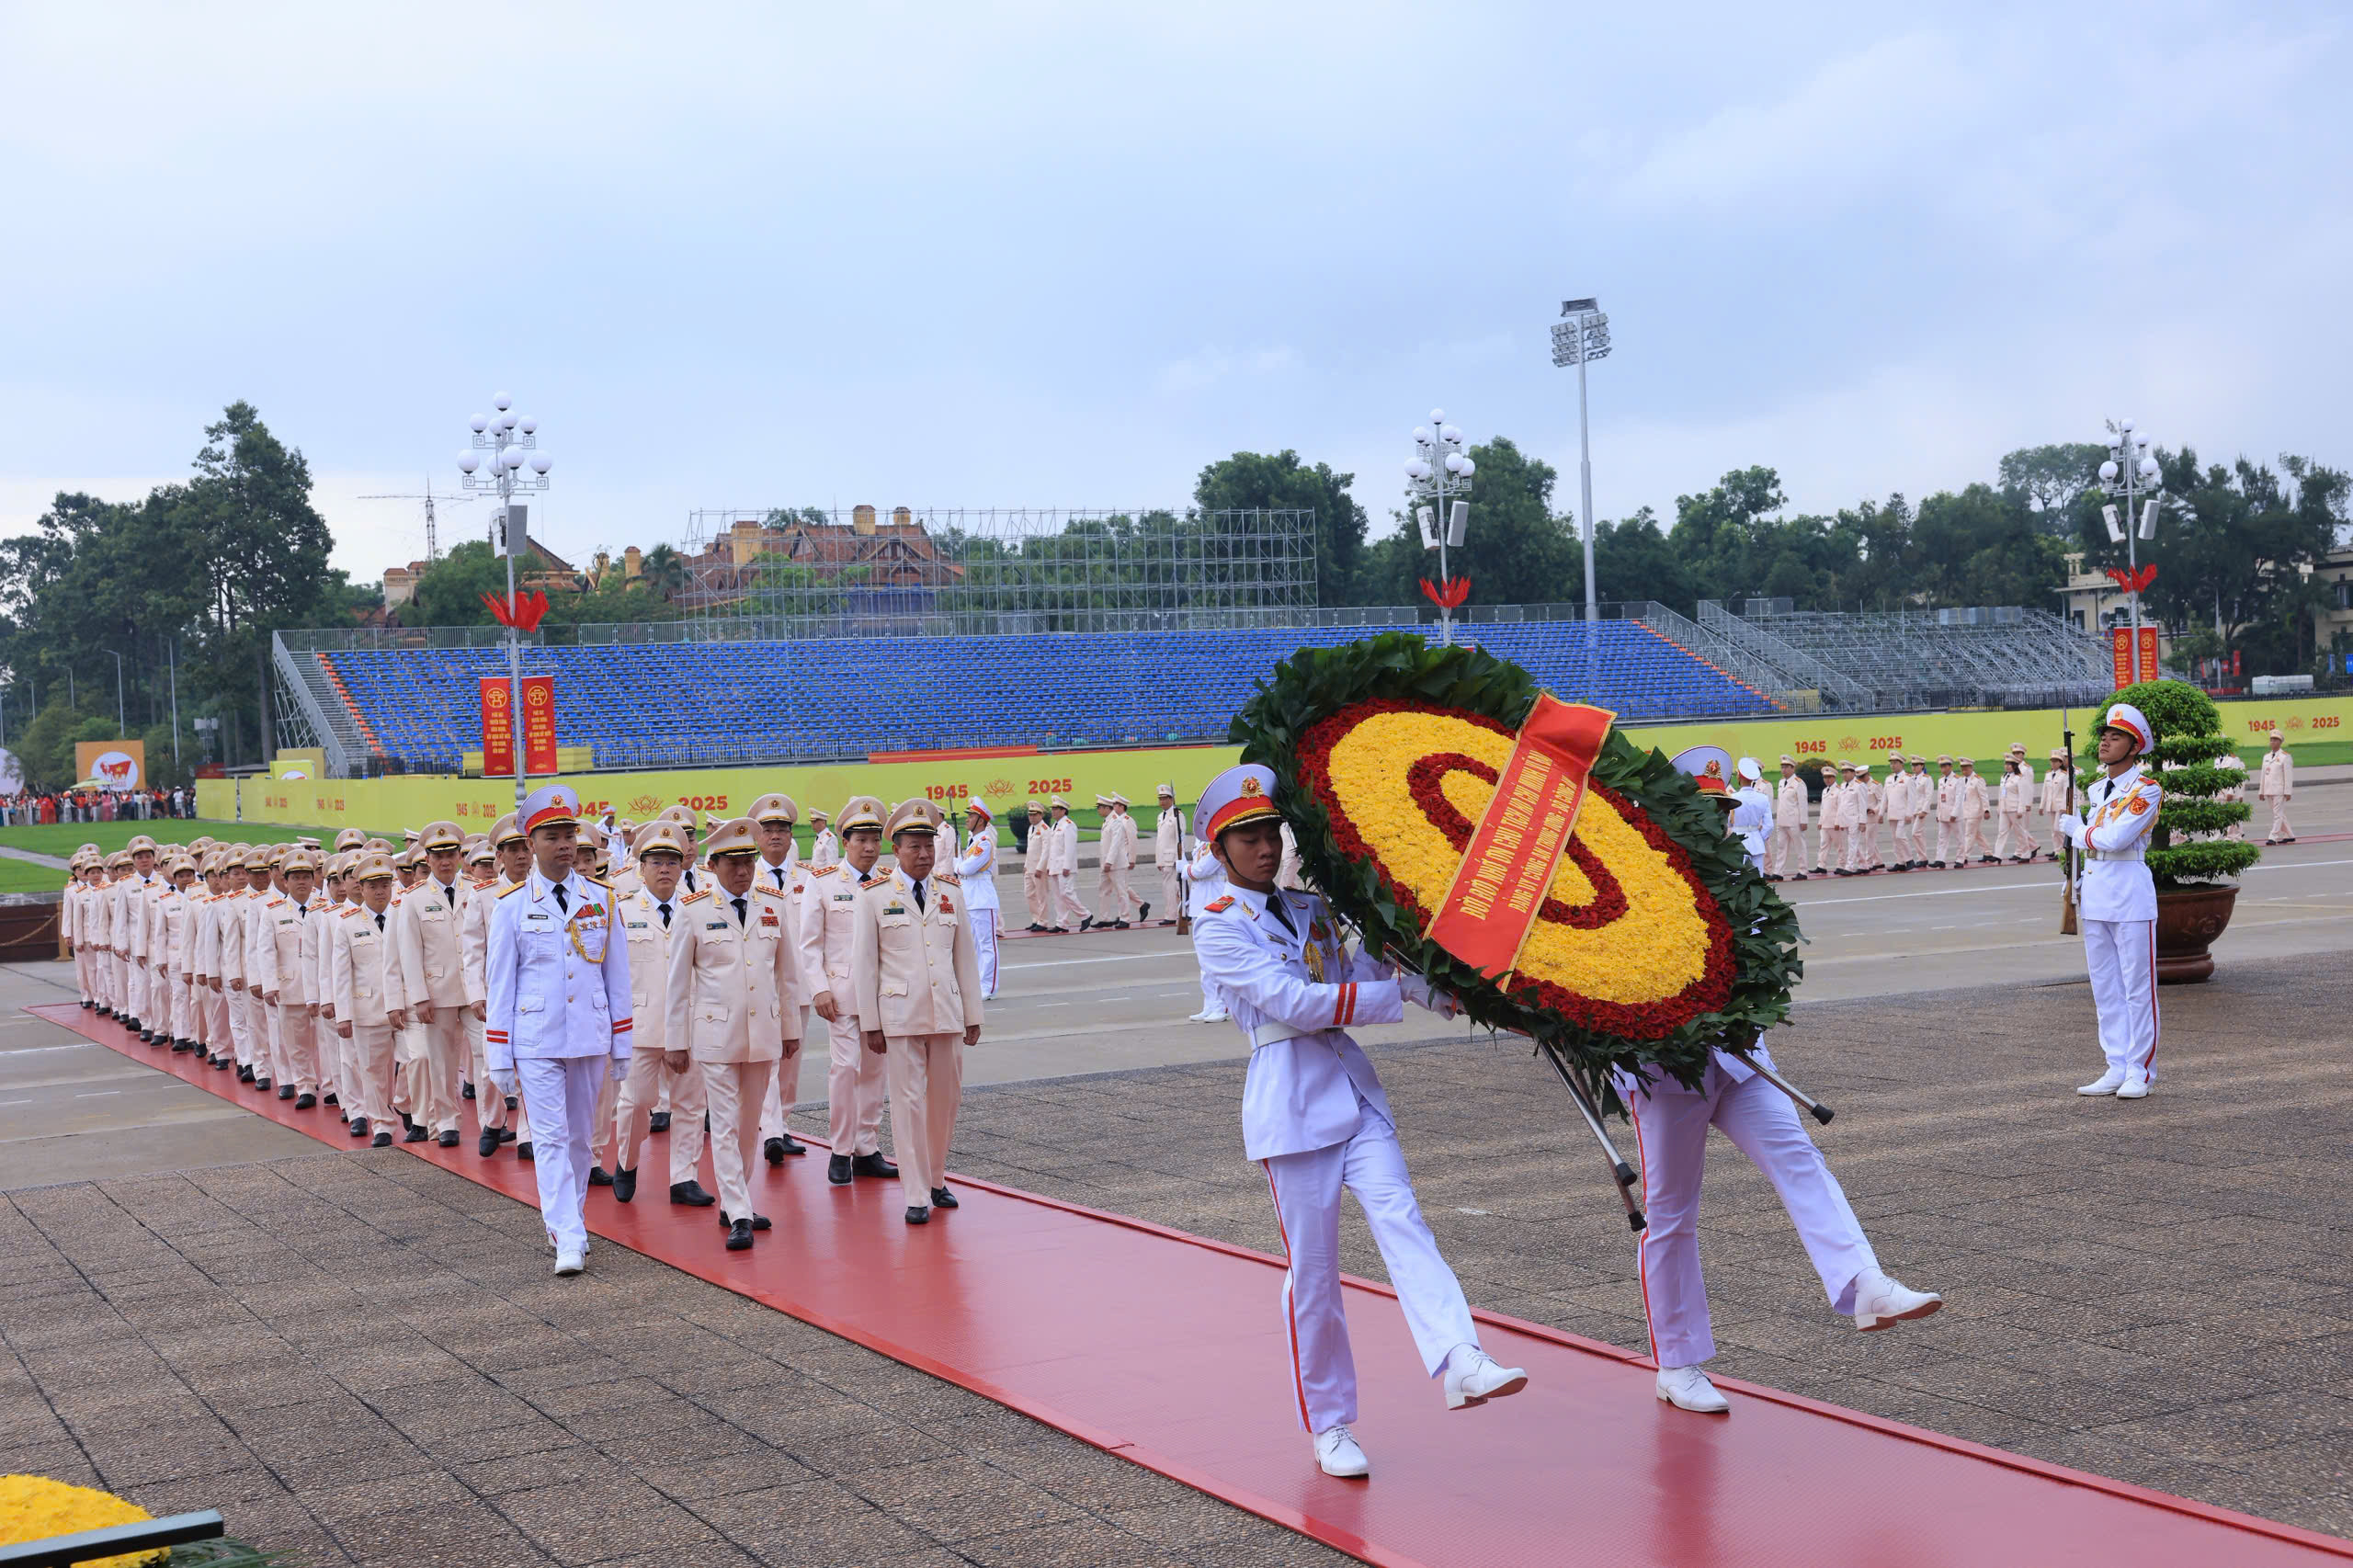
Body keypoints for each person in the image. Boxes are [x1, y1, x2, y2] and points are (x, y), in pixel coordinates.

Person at [1190, 763, 1526, 1480]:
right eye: (1246, 838)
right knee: (1314, 1278)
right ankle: (1331, 1424)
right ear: (1219, 852)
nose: (1264, 847)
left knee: (1404, 1220)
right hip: (1292, 1108)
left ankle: (1460, 1357)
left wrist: (1442, 990)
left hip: (1354, 1094)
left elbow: (1364, 974)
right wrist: (1386, 999)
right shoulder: (1216, 926)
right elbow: (1297, 1004)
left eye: (1270, 832)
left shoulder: (1311, 910)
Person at [485, 784, 634, 1277]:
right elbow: (500, 983)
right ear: (531, 844)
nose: (565, 844)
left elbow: (617, 975)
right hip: (536, 1037)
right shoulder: (509, 905)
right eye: (552, 836)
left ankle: (569, 1222)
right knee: (549, 1137)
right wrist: (499, 1054)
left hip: (589, 1033)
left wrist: (623, 1042)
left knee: (581, 1140)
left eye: (569, 834)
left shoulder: (603, 899)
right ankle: (567, 1234)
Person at [666, 816, 801, 1250]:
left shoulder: (773, 904)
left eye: (748, 862)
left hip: (763, 1032)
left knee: (749, 1126)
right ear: (714, 864)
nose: (743, 872)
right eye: (733, 864)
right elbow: (677, 985)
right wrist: (676, 1042)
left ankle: (733, 1200)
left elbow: (787, 976)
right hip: (715, 1035)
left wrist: (791, 1030)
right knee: (723, 1125)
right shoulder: (694, 909)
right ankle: (740, 1211)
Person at [853, 799, 985, 1225]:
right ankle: (915, 1194)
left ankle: (935, 1177)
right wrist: (870, 1023)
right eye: (915, 846)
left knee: (947, 1099)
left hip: (946, 1010)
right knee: (908, 1104)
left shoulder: (950, 892)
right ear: (897, 849)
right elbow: (865, 964)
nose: (924, 854)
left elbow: (965, 957)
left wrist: (973, 1013)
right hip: (899, 1014)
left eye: (929, 845)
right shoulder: (874, 897)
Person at [2057, 703, 2165, 1100]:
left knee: (2138, 988)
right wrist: (2074, 878)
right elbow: (2094, 843)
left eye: (2116, 736)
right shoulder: (2095, 789)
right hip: (2097, 890)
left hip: (2130, 892)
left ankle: (2141, 1070)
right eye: (2104, 734)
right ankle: (2116, 1064)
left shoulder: (2146, 790)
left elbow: (2116, 839)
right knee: (2105, 986)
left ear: (2134, 748)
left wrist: (2078, 831)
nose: (2105, 741)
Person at [797, 795, 898, 1187]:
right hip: (839, 995)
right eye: (862, 839)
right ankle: (840, 1151)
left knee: (875, 1071)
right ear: (845, 841)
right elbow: (809, 945)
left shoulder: (890, 883)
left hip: (883, 995)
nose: (870, 847)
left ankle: (867, 1147)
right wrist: (819, 989)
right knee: (845, 1069)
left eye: (875, 839)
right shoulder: (822, 883)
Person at [608, 821, 710, 1206]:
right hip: (641, 1025)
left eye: (671, 861)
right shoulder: (622, 910)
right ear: (642, 867)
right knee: (635, 1102)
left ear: (682, 866)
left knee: (690, 1104)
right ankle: (627, 1161)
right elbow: (613, 973)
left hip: (690, 1023)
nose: (664, 868)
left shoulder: (698, 909)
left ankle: (683, 1177)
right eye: (656, 861)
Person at [465, 816, 532, 1158]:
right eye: (513, 850)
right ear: (499, 857)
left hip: (535, 992)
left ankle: (527, 1135)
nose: (521, 856)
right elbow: (473, 950)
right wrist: (476, 994)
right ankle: (492, 1122)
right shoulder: (483, 895)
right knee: (492, 1064)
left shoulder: (543, 889)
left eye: (525, 848)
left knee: (534, 1063)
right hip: (497, 994)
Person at [329, 853, 404, 1147]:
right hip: (367, 1007)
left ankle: (404, 1103)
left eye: (385, 884)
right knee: (372, 1070)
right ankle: (382, 1124)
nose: (380, 891)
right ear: (361, 888)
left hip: (404, 1006)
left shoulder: (403, 914)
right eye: (373, 886)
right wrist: (344, 1015)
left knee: (416, 1059)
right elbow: (341, 972)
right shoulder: (347, 923)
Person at [955, 794, 1002, 999]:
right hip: (970, 899)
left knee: (987, 946)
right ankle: (976, 984)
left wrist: (958, 865)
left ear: (981, 820)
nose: (967, 819)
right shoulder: (973, 842)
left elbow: (967, 868)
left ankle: (988, 987)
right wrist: (959, 864)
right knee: (973, 946)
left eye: (971, 816)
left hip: (982, 899)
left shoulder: (984, 843)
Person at [1095, 793, 1142, 927]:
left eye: (1099, 807)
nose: (1098, 810)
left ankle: (1125, 919)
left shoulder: (1116, 821)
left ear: (1106, 808)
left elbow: (1115, 844)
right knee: (1103, 890)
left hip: (1116, 863)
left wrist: (1109, 861)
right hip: (1106, 864)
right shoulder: (1108, 821)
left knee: (1121, 891)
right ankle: (1105, 918)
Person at [1044, 796, 1088, 932]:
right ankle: (1061, 923)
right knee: (1058, 897)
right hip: (1055, 866)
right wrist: (1048, 866)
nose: (1053, 811)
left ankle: (1086, 915)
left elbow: (1070, 848)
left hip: (1065, 867)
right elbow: (1052, 849)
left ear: (1063, 811)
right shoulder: (1055, 826)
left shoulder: (1069, 825)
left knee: (1066, 893)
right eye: (1053, 809)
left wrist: (1067, 866)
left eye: (1056, 809)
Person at [1767, 756, 1807, 881]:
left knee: (1799, 846)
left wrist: (1804, 821)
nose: (1783, 770)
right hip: (1782, 820)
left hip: (1794, 820)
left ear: (1792, 768)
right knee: (1781, 847)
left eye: (1786, 767)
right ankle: (1779, 872)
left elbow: (1803, 803)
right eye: (1782, 767)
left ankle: (1802, 871)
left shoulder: (1798, 783)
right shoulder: (1780, 782)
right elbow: (1780, 803)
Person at [1730, 758, 1772, 873]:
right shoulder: (1762, 798)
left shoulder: (1733, 798)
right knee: (1757, 880)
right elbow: (1769, 825)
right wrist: (1759, 837)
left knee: (1737, 878)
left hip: (1738, 841)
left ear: (1739, 776)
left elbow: (1728, 823)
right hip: (1756, 843)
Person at [1154, 783, 1188, 926]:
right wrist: (1158, 860)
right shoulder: (1161, 816)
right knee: (1170, 888)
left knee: (1174, 888)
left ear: (1171, 799)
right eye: (1160, 798)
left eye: (1164, 798)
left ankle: (1173, 915)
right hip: (1164, 858)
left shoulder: (1177, 815)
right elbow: (1160, 840)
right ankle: (1181, 913)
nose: (1161, 801)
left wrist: (1178, 858)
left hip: (1173, 858)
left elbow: (1180, 838)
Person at [1021, 802, 1052, 932]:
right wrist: (1025, 865)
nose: (1032, 817)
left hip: (1039, 869)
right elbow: (1030, 850)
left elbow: (1046, 851)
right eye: (1030, 815)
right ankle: (1035, 919)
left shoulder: (1045, 829)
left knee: (1041, 896)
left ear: (1041, 815)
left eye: (1035, 815)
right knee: (1029, 894)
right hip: (1030, 867)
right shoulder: (1031, 828)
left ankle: (1043, 921)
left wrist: (1040, 868)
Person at [2259, 730, 2294, 843]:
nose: (2272, 742)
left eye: (2275, 740)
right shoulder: (2266, 757)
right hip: (2268, 790)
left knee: (2277, 814)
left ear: (2280, 742)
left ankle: (2273, 837)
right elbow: (2263, 775)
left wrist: (2288, 792)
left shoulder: (2285, 757)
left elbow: (2288, 776)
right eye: (2271, 740)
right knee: (2278, 814)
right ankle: (2289, 835)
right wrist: (2261, 791)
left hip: (2279, 790)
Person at [2040, 746, 2074, 861]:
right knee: (2053, 831)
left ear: (2060, 763)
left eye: (2056, 761)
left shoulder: (2064, 775)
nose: (2053, 763)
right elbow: (2045, 791)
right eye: (2052, 761)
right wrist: (2041, 806)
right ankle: (2057, 851)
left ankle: (2065, 850)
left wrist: (2065, 806)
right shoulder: (2048, 774)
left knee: (2058, 829)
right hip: (2050, 805)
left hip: (2060, 806)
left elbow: (2066, 792)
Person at [1957, 758, 1992, 865]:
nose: (1964, 771)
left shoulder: (1978, 780)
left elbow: (1984, 796)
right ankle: (1988, 852)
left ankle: (1964, 856)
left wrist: (1986, 810)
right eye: (1962, 769)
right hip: (1965, 812)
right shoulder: (1962, 780)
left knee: (1969, 834)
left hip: (1975, 811)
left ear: (1971, 768)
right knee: (1976, 834)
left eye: (1966, 769)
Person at [1995, 757, 2029, 863]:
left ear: (2014, 766)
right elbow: (2001, 794)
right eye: (2006, 764)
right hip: (2004, 808)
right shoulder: (2003, 777)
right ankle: (1997, 855)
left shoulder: (2019, 778)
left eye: (2009, 764)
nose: (2007, 766)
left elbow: (2022, 795)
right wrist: (1999, 807)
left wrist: (2021, 809)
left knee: (2019, 832)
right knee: (2002, 831)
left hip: (2015, 809)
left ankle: (2026, 854)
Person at [807, 807, 838, 871]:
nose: (812, 824)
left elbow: (832, 863)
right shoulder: (819, 836)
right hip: (816, 875)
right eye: (812, 822)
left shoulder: (830, 838)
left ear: (823, 822)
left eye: (815, 822)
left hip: (824, 877)